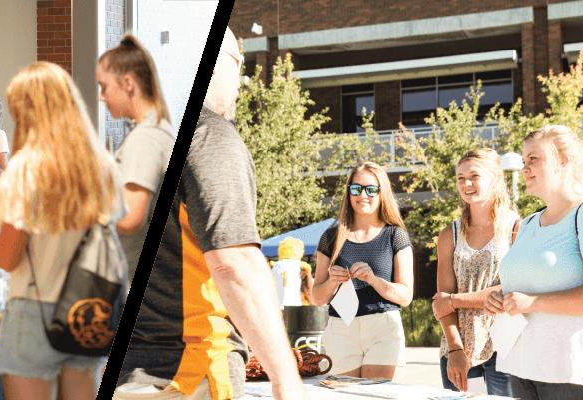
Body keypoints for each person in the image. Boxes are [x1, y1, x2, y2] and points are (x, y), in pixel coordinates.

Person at [117, 30, 303, 400]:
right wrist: (285, 375)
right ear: (228, 64)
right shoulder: (209, 136)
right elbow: (233, 263)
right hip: (189, 371)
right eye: (240, 65)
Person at [0, 62, 112, 400]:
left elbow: (9, 256)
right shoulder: (100, 166)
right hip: (90, 306)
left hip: (35, 308)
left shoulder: (27, 169)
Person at [487, 125, 583, 398]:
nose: (524, 167)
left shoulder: (580, 216)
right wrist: (497, 297)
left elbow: (532, 296)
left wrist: (534, 302)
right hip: (520, 367)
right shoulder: (527, 224)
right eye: (523, 160)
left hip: (567, 373)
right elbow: (521, 285)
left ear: (563, 161)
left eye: (534, 159)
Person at [308, 162, 412, 380]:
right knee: (346, 395)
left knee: (376, 395)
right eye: (356, 188)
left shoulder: (395, 235)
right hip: (341, 326)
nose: (363, 195)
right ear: (348, 192)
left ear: (382, 192)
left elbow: (405, 296)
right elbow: (317, 297)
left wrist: (373, 280)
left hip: (383, 326)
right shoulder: (331, 237)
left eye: (371, 189)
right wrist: (332, 282)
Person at [428, 149, 518, 395]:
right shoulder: (450, 235)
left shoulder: (516, 228)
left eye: (474, 176)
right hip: (459, 349)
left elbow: (512, 290)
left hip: (506, 347)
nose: (466, 183)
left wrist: (455, 300)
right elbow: (441, 302)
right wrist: (456, 349)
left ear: (495, 178)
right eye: (460, 178)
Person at [98, 35, 175, 271]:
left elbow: (129, 217)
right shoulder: (153, 130)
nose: (101, 96)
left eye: (104, 87)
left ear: (128, 84)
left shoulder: (146, 138)